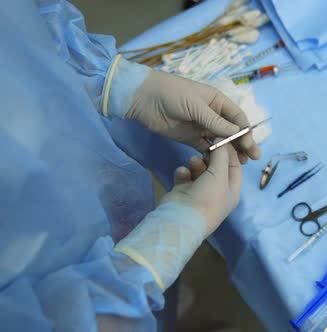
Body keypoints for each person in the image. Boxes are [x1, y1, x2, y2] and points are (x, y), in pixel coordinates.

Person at [0, 0, 260, 330]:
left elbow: (22, 24)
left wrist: (112, 81)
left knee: (145, 296)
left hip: (73, 192)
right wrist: (145, 264)